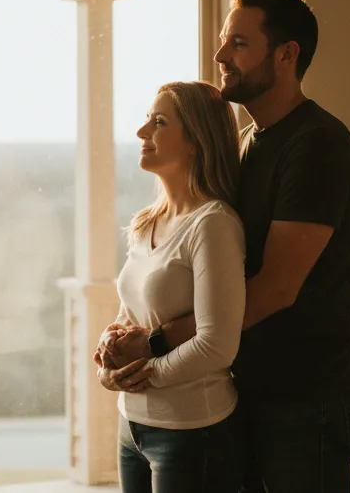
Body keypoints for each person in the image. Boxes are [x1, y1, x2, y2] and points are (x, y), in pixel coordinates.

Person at [98, 0, 350, 493]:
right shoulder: (247, 143)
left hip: (307, 391)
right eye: (225, 42)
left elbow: (273, 289)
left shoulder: (317, 146)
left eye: (239, 43)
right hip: (247, 385)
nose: (221, 56)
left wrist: (152, 346)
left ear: (286, 55)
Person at [93, 80, 248, 493]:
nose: (143, 132)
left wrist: (145, 373)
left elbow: (218, 344)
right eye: (147, 121)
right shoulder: (148, 221)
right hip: (133, 428)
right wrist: (108, 363)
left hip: (190, 432)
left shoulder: (213, 224)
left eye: (159, 123)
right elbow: (133, 314)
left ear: (196, 141)